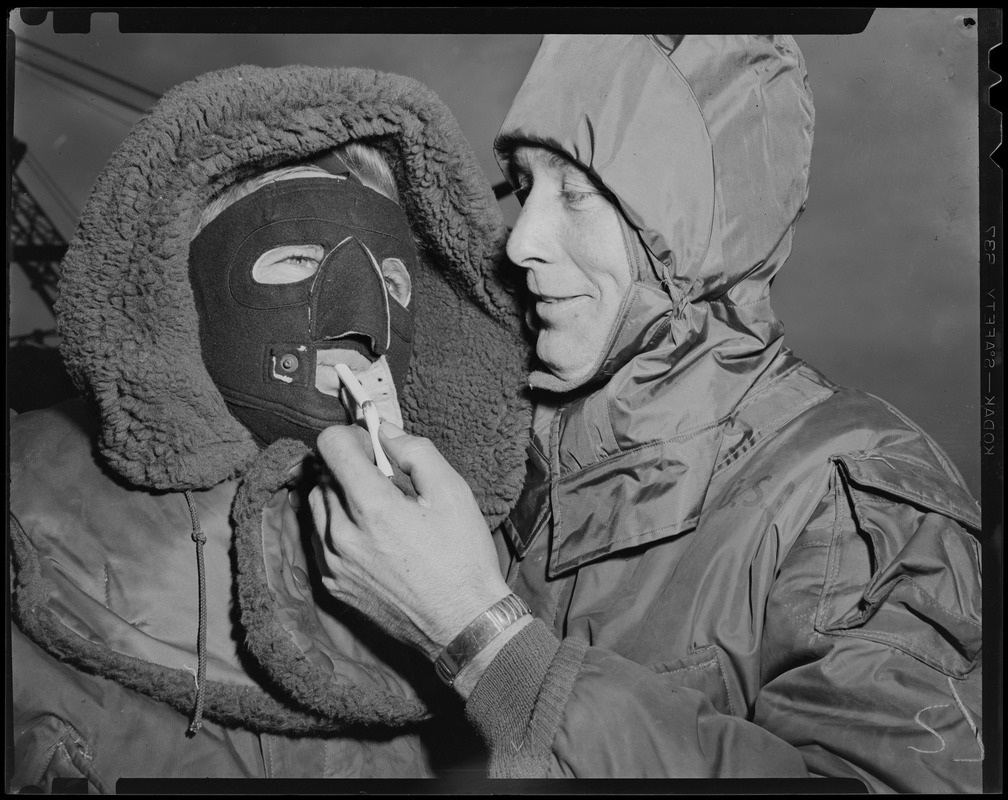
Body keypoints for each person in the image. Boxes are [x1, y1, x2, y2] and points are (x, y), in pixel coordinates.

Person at [309, 34, 984, 791]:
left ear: (693, 233)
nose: (523, 240)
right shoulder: (491, 447)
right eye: (523, 186)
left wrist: (482, 639)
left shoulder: (851, 491)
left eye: (576, 193)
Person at [8, 64, 533, 789]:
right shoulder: (24, 498)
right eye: (295, 260)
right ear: (185, 287)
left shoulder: (484, 553)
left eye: (395, 283)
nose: (365, 325)